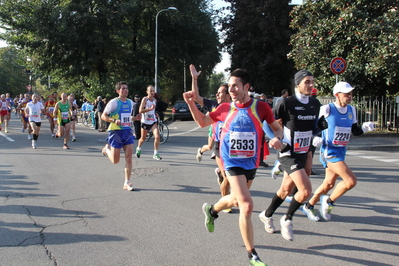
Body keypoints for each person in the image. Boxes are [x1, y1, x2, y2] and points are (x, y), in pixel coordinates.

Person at [184, 68, 283, 266]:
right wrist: (190, 103)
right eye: (229, 86)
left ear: (246, 87)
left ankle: (212, 211)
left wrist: (276, 139)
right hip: (231, 160)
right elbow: (203, 121)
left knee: (237, 201)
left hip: (251, 162)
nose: (232, 90)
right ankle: (252, 254)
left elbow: (277, 129)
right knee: (247, 205)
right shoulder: (224, 108)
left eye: (235, 86)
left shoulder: (261, 107)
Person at [259, 70, 325, 242]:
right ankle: (287, 219)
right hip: (288, 152)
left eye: (312, 81)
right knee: (305, 191)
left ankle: (266, 215)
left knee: (286, 190)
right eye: (307, 82)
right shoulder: (286, 103)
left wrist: (319, 130)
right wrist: (273, 137)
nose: (311, 85)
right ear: (297, 84)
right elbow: (266, 121)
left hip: (304, 151)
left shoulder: (315, 103)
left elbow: (315, 126)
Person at [300, 82, 375, 221]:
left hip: (341, 151)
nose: (350, 95)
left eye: (351, 93)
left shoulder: (351, 110)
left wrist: (365, 128)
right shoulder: (327, 109)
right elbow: (315, 127)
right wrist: (315, 138)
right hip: (329, 151)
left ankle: (308, 206)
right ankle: (329, 201)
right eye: (346, 93)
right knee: (351, 181)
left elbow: (355, 130)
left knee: (328, 184)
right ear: (337, 95)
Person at [190, 64, 232, 212]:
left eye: (220, 93)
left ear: (228, 95)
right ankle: (224, 202)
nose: (217, 95)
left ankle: (222, 178)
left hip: (233, 147)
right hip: (219, 145)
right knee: (227, 177)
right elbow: (197, 97)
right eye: (217, 93)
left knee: (233, 177)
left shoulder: (235, 108)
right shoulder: (214, 105)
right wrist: (194, 79)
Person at [101, 81, 139, 191]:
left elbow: (128, 117)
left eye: (126, 88)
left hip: (127, 132)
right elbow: (104, 115)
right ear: (118, 91)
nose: (125, 90)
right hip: (115, 132)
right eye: (122, 88)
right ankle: (106, 149)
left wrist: (136, 118)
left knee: (129, 158)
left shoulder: (130, 102)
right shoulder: (114, 102)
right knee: (115, 161)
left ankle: (127, 182)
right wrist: (113, 120)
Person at [135, 85, 162, 160]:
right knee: (142, 139)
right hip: (145, 122)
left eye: (153, 91)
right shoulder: (145, 99)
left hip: (153, 121)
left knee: (157, 136)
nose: (152, 92)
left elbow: (153, 110)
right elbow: (140, 110)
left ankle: (155, 154)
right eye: (150, 91)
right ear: (147, 92)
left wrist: (155, 113)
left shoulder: (155, 100)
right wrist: (150, 109)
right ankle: (138, 148)